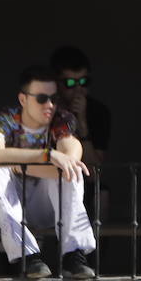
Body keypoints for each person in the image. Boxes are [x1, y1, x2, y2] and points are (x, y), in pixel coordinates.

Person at [0, 65, 96, 281]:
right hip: (11, 203)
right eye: (42, 98)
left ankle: (74, 254)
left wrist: (19, 164)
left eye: (53, 98)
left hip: (47, 205)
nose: (50, 105)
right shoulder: (5, 120)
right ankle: (29, 256)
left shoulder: (60, 120)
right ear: (23, 99)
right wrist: (47, 156)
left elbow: (72, 152)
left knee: (71, 168)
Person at [49, 45, 111, 218]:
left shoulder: (99, 112)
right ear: (56, 84)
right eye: (70, 83)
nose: (78, 89)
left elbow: (93, 172)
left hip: (82, 183)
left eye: (83, 82)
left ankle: (96, 246)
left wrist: (82, 122)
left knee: (101, 193)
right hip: (47, 180)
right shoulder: (44, 109)